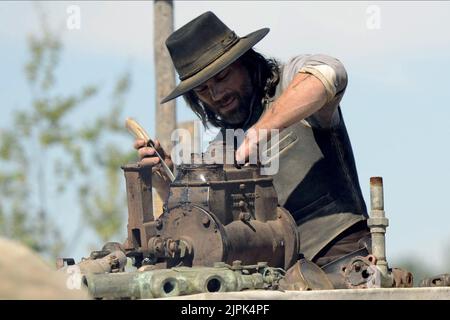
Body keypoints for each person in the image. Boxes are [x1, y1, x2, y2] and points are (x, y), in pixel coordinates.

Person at [134, 11, 370, 272]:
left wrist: (260, 131)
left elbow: (330, 73)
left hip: (342, 261)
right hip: (274, 279)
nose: (216, 94)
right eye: (202, 89)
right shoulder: (221, 147)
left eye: (222, 77)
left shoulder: (290, 80)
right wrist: (164, 180)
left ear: (245, 61)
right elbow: (205, 224)